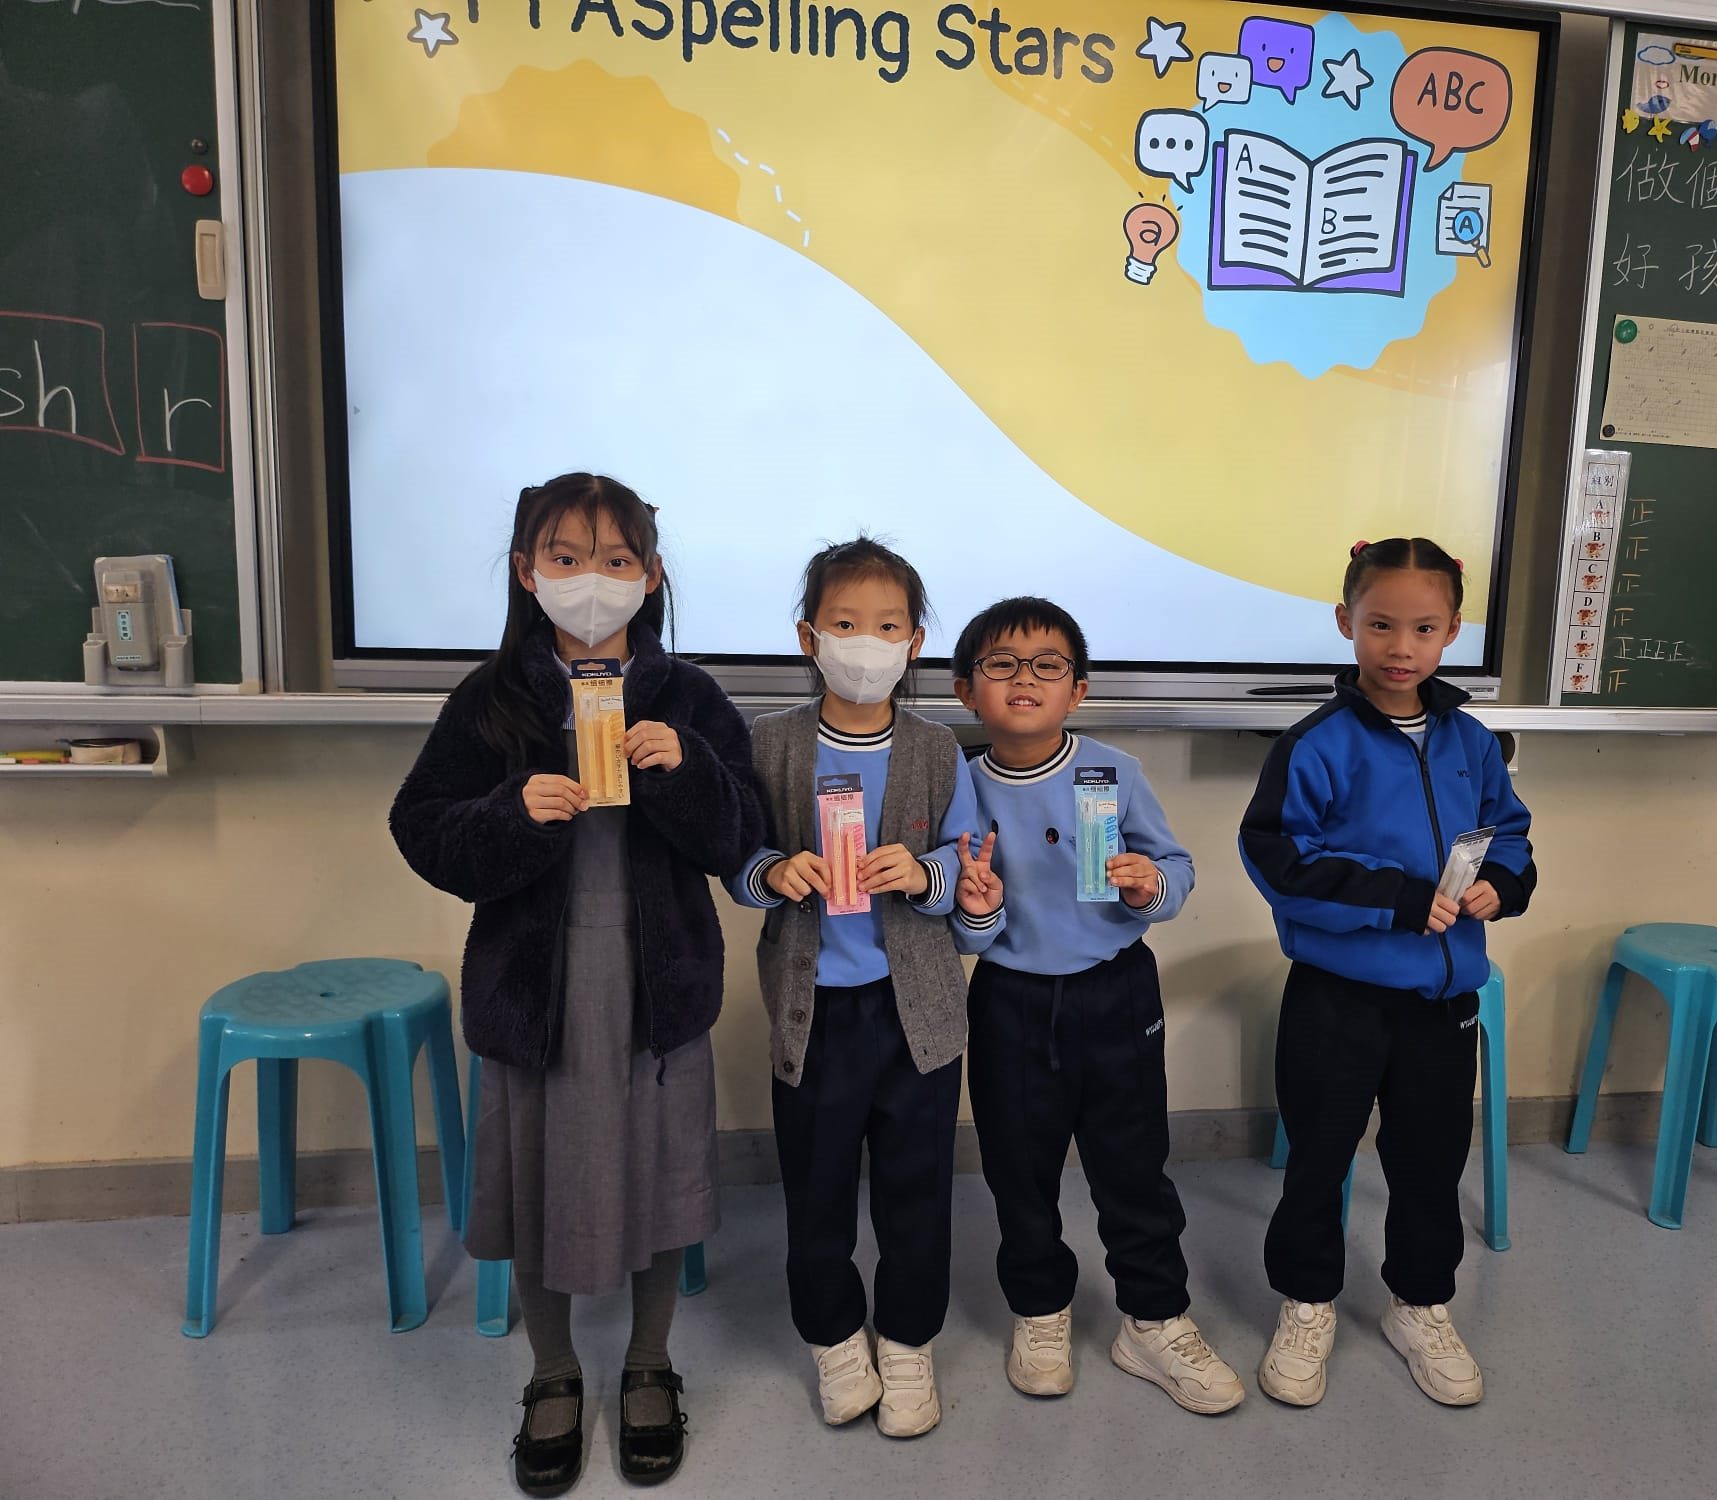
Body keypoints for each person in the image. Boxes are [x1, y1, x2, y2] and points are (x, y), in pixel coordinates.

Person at [391, 474, 764, 1494]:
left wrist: (686, 768)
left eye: (615, 560)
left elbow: (742, 836)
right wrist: (510, 812)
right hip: (537, 994)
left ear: (650, 576)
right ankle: (552, 1370)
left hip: (656, 990)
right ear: (527, 572)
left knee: (661, 1176)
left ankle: (647, 1362)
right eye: (564, 558)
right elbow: (421, 828)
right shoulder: (491, 698)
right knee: (535, 1181)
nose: (590, 580)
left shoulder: (688, 698)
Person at [1239, 539, 1535, 1410]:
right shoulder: (1315, 744)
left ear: (1452, 632)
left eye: (1424, 628)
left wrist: (1503, 883)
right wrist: (1397, 899)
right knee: (1319, 1156)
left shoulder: (1472, 741)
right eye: (1380, 625)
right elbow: (1280, 861)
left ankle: (1420, 1303)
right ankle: (1307, 1302)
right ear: (1346, 623)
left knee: (1430, 1160)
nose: (1401, 647)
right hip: (1337, 999)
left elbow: (1508, 830)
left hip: (1442, 1000)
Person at [728, 538, 1002, 1438]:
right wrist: (776, 871)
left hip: (918, 1014)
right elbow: (737, 860)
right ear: (809, 636)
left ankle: (909, 1343)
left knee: (916, 1191)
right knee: (817, 1192)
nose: (865, 643)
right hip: (812, 1016)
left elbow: (965, 866)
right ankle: (837, 1340)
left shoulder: (936, 749)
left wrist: (922, 874)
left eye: (887, 627)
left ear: (914, 642)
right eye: (845, 623)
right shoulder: (769, 742)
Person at [949, 595, 1246, 1415]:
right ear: (966, 689)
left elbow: (1176, 869)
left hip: (1117, 993)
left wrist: (1150, 885)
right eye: (1001, 664)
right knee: (1019, 1171)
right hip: (1009, 1000)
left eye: (1048, 665)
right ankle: (1040, 1310)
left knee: (1133, 1166)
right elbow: (964, 930)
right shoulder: (958, 787)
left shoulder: (1116, 770)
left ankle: (1153, 1318)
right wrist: (978, 908)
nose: (1025, 679)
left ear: (1077, 689)